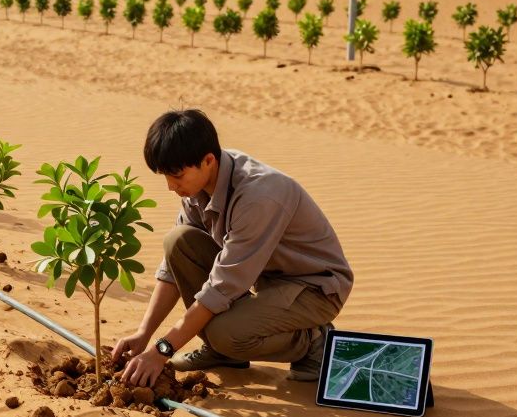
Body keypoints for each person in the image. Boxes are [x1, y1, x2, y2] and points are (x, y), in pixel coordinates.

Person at [112, 109, 353, 387]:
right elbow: (173, 267)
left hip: (315, 289)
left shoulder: (259, 196)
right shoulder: (198, 185)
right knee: (178, 241)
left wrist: (161, 351)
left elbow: (220, 289)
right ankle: (223, 354)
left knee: (226, 333)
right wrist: (144, 334)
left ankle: (313, 344)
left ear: (208, 160)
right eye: (165, 176)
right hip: (264, 280)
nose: (170, 186)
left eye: (176, 176)